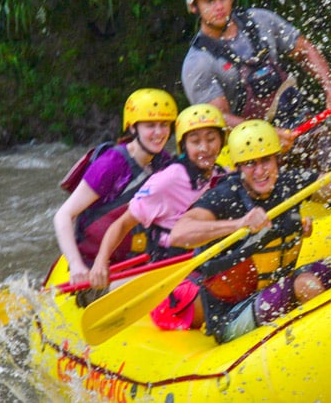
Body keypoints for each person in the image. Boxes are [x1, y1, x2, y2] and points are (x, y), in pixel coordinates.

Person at [168, 115, 331, 343]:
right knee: (306, 285)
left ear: (277, 158)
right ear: (238, 167)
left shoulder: (290, 183)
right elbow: (180, 233)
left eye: (266, 160)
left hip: (279, 285)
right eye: (250, 164)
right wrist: (239, 224)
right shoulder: (225, 195)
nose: (260, 170)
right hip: (232, 314)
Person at [180, 0, 331, 168]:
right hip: (253, 148)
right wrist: (266, 134)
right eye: (209, 1)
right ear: (193, 6)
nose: (219, 6)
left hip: (301, 123)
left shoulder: (260, 21)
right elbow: (219, 119)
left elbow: (305, 50)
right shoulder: (198, 63)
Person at [87, 103, 230, 329]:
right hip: (169, 273)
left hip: (207, 263)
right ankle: (104, 291)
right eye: (195, 141)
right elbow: (122, 224)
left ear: (222, 141)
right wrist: (100, 263)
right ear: (184, 145)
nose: (205, 148)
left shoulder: (224, 175)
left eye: (211, 139)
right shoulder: (168, 180)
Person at [53, 88, 177, 287]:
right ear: (133, 128)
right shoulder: (111, 164)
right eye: (150, 125)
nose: (158, 132)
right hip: (94, 267)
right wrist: (76, 265)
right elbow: (64, 215)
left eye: (164, 125)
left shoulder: (164, 162)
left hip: (135, 262)